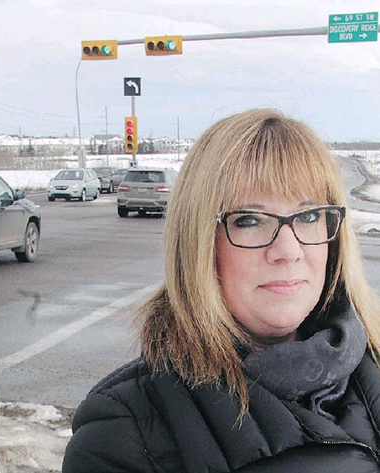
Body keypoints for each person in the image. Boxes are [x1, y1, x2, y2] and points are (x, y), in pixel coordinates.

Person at [62, 109, 380, 473]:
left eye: (308, 216)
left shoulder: (371, 363)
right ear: (198, 242)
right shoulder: (118, 438)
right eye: (249, 220)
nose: (289, 250)